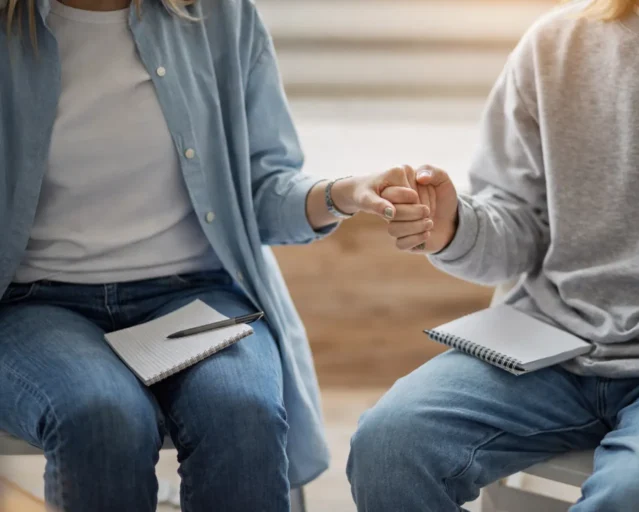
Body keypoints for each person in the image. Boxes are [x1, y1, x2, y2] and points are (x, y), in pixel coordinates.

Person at [0, 0, 430, 509]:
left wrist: (343, 193)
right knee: (102, 415)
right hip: (35, 303)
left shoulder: (221, 16)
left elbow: (262, 191)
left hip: (195, 295)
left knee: (243, 411)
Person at [347, 1, 639, 511]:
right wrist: (453, 227)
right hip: (549, 346)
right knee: (389, 443)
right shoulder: (552, 43)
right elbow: (517, 224)